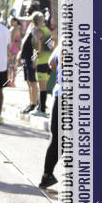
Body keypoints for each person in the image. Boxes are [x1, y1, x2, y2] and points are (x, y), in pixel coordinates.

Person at [39, 43, 61, 189]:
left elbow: (51, 64)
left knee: (57, 138)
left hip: (60, 93)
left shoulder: (65, 37)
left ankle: (47, 175)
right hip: (79, 95)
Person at [31, 11, 56, 117]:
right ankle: (41, 108)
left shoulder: (38, 31)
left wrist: (35, 58)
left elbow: (38, 45)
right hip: (48, 61)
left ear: (34, 21)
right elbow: (51, 45)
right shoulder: (47, 30)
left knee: (42, 87)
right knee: (44, 86)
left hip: (41, 61)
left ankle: (42, 110)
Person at [17, 22, 38, 114]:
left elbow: (37, 45)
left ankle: (34, 104)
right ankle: (31, 103)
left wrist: (34, 60)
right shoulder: (30, 27)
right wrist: (20, 55)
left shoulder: (37, 29)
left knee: (33, 82)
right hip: (26, 59)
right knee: (29, 82)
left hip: (31, 60)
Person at [7, 17, 21, 86]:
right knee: (13, 66)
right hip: (15, 49)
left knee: (11, 66)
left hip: (13, 49)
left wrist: (8, 51)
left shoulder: (14, 29)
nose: (10, 22)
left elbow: (12, 40)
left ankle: (11, 81)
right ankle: (12, 81)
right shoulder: (16, 28)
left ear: (15, 21)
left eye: (11, 21)